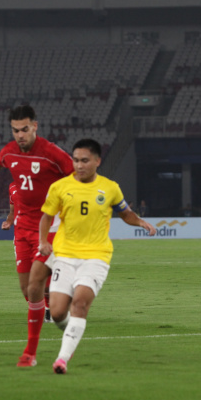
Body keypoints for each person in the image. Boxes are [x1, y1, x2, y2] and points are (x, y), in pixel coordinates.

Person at [0, 104, 74, 367]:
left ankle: (30, 354)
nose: (20, 135)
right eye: (15, 130)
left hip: (50, 227)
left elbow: (77, 175)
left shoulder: (51, 153)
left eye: (25, 129)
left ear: (35, 126)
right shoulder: (10, 152)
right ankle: (61, 313)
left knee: (35, 284)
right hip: (22, 228)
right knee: (27, 291)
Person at [38, 139, 157, 374]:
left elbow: (125, 213)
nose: (79, 165)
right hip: (65, 255)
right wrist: (43, 241)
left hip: (96, 257)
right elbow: (46, 217)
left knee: (80, 304)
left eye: (84, 161)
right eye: (75, 160)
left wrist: (140, 221)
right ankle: (73, 333)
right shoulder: (60, 187)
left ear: (97, 161)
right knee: (59, 312)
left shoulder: (110, 188)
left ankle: (62, 359)